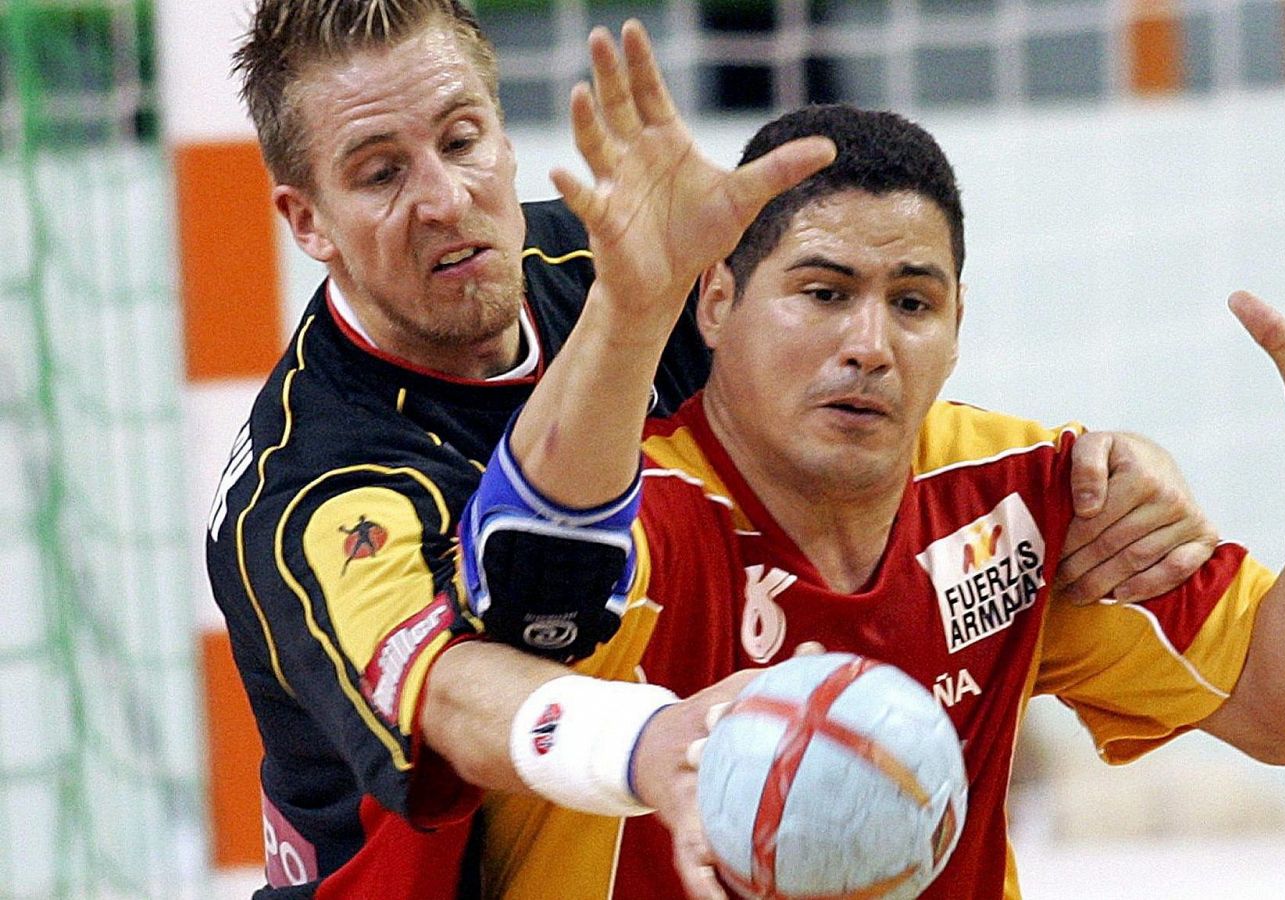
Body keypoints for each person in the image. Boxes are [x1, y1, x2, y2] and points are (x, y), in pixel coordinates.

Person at [204, 3, 1219, 896]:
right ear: (309, 222)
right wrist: (652, 741)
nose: (442, 198)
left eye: (462, 141)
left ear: (506, 143)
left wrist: (1111, 466)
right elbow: (462, 697)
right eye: (380, 173)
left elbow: (841, 399)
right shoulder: (312, 486)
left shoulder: (622, 251)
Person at [468, 31, 1285, 900]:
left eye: (912, 303)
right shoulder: (619, 521)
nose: (870, 341)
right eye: (823, 292)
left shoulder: (1028, 498)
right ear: (718, 307)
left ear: (956, 333)